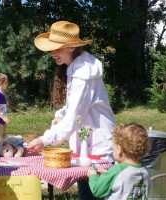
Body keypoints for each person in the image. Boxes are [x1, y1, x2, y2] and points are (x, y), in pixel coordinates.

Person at [26, 21, 116, 199]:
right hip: (87, 146)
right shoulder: (77, 68)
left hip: (98, 150)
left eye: (57, 48)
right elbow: (73, 106)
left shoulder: (83, 73)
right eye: (52, 48)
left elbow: (75, 116)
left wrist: (46, 139)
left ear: (72, 47)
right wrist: (60, 114)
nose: (53, 53)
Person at [87, 122, 150, 199]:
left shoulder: (117, 170)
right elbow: (126, 181)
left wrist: (93, 176)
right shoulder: (145, 171)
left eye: (113, 148)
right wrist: (108, 174)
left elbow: (97, 190)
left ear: (119, 149)